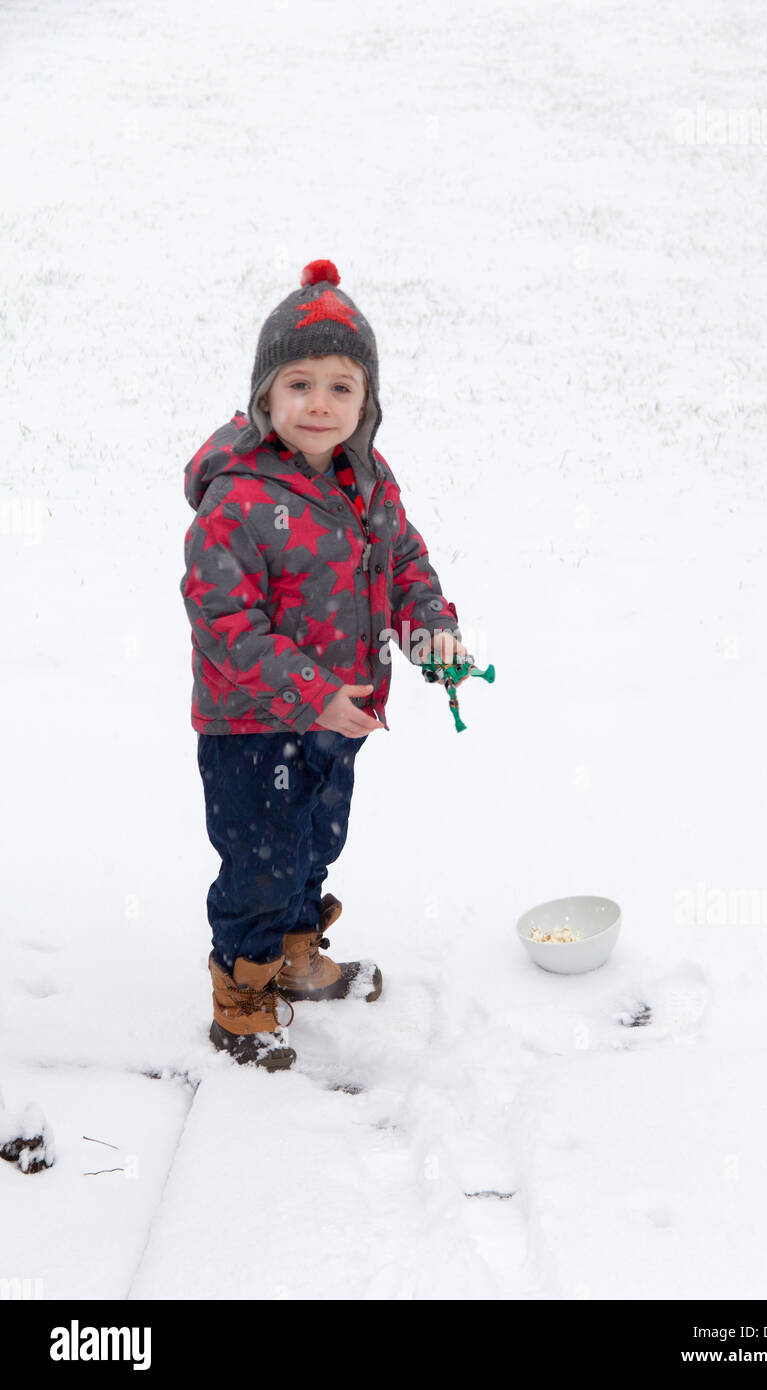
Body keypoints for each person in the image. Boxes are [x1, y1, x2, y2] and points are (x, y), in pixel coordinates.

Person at [180, 258, 465, 1070]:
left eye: (342, 386)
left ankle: (298, 954)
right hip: (255, 723)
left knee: (315, 840)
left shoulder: (368, 480)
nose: (320, 403)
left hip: (342, 716)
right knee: (258, 862)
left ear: (366, 402)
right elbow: (225, 624)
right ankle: (242, 997)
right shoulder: (236, 500)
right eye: (299, 383)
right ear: (265, 396)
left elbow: (403, 564)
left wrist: (431, 634)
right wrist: (311, 694)